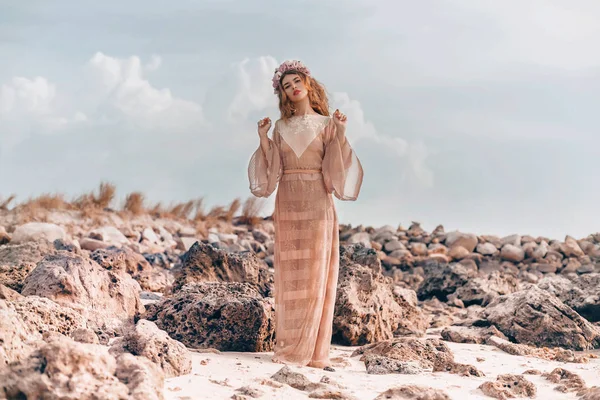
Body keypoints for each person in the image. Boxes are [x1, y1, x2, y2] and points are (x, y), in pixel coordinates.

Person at [248, 59, 363, 370]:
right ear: (283, 95)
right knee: (290, 274)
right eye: (286, 86)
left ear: (308, 84)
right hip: (287, 199)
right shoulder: (280, 127)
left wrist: (339, 133)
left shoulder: (326, 124)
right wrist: (263, 139)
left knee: (316, 273)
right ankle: (290, 346)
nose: (292, 88)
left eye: (296, 81)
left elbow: (334, 173)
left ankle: (313, 352)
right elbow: (271, 174)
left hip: (317, 200)